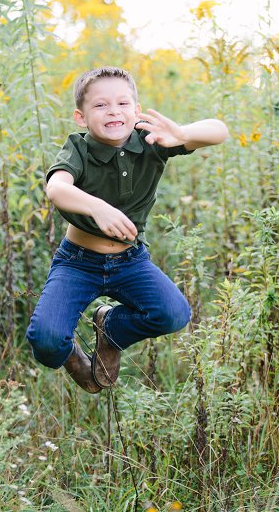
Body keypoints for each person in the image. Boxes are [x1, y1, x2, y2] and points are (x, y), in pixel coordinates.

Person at [25, 67, 228, 393]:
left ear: (136, 111)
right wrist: (96, 206)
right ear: (81, 117)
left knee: (173, 314)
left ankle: (112, 329)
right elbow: (56, 189)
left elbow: (219, 131)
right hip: (78, 261)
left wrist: (182, 133)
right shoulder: (78, 149)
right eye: (101, 105)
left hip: (130, 260)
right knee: (46, 343)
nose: (113, 111)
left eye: (122, 103)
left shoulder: (152, 141)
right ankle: (75, 357)